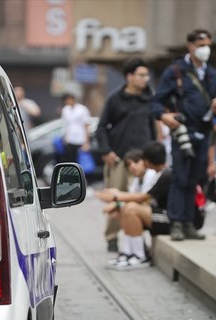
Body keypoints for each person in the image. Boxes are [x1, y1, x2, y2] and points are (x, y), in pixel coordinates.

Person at [152, 29, 216, 242]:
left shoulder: (212, 73)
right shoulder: (176, 71)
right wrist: (165, 118)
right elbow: (156, 103)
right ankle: (175, 222)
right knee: (180, 178)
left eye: (208, 44)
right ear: (190, 46)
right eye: (201, 44)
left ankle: (189, 223)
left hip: (204, 131)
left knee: (196, 179)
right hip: (182, 131)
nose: (205, 49)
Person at [96, 58, 157, 252]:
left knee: (141, 199)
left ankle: (138, 239)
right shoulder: (115, 99)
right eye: (141, 75)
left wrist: (153, 157)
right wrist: (106, 151)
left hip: (143, 161)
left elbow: (153, 128)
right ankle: (112, 238)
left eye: (147, 75)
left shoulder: (150, 99)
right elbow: (101, 128)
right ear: (129, 76)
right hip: (120, 159)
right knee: (116, 198)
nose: (145, 79)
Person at [95, 142, 172, 270]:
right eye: (129, 165)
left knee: (129, 208)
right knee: (125, 209)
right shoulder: (143, 177)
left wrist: (116, 197)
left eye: (136, 162)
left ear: (146, 161)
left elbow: (143, 198)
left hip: (169, 218)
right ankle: (129, 252)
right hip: (158, 214)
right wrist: (117, 201)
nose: (132, 167)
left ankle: (140, 255)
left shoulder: (162, 174)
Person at [60, 93, 91, 165]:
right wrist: (64, 137)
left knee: (80, 162)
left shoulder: (82, 109)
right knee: (70, 161)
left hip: (80, 140)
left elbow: (86, 125)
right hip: (70, 140)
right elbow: (65, 125)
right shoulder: (65, 110)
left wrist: (86, 142)